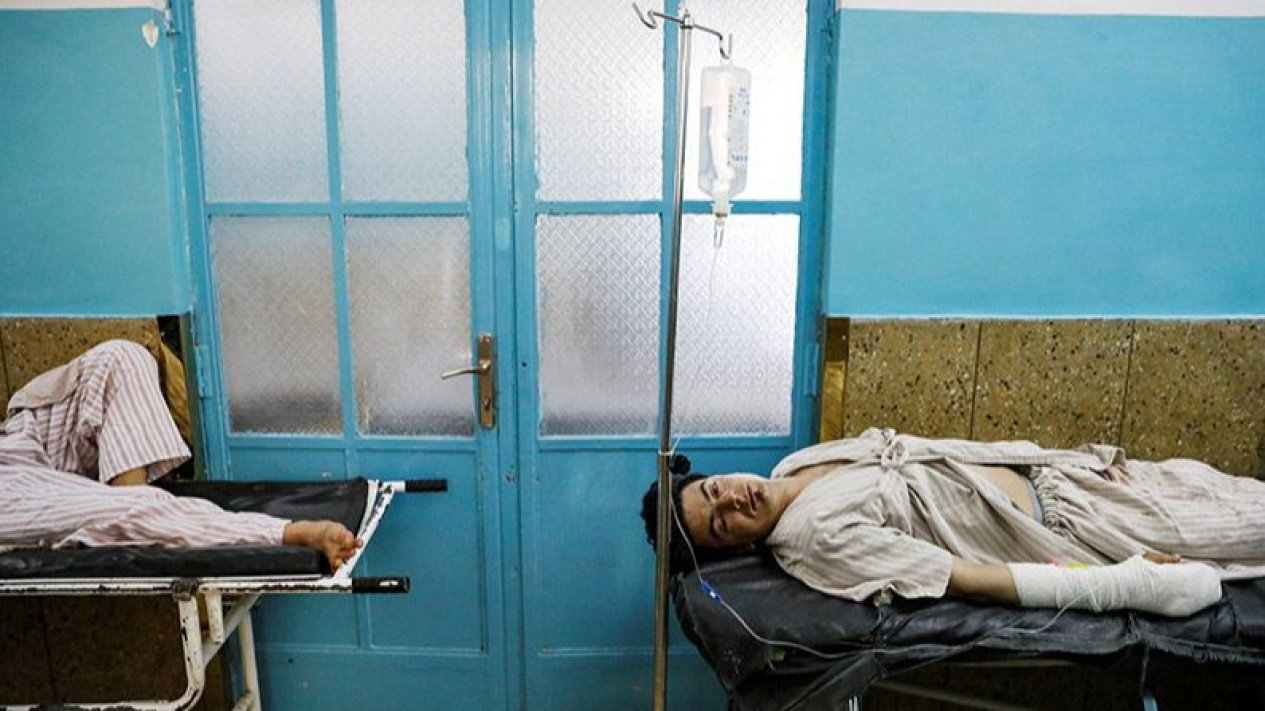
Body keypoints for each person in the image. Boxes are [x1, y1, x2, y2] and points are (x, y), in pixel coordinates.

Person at [639, 428, 1265, 617]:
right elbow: (966, 577)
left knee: (1239, 492)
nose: (733, 502)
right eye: (721, 525)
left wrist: (1064, 464)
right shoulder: (815, 540)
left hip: (1069, 474)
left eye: (715, 490)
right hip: (1080, 529)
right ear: (736, 550)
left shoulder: (795, 463)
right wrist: (1122, 583)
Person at [0, 339, 360, 571]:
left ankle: (131, 533)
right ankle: (287, 532)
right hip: (11, 490)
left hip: (17, 444)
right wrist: (290, 533)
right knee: (137, 507)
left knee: (120, 358)